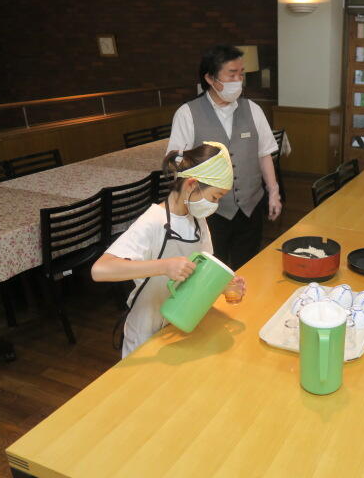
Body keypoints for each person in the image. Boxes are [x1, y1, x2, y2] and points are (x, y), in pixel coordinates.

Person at [91, 142, 245, 358]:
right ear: (191, 184)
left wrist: (222, 285)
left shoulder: (197, 220)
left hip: (180, 323)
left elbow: (201, 272)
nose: (214, 205)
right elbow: (100, 270)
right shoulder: (153, 221)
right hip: (146, 330)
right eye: (214, 197)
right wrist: (164, 266)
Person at [166, 44, 282, 270]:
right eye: (232, 74)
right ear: (210, 78)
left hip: (250, 206)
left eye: (241, 74)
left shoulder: (253, 109)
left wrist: (274, 193)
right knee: (211, 268)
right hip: (209, 212)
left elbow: (264, 155)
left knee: (248, 266)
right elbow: (175, 162)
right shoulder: (188, 113)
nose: (238, 80)